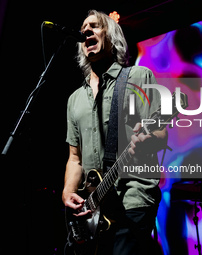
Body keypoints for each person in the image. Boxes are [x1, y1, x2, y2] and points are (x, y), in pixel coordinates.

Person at [62, 10, 168, 255]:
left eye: (95, 26)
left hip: (133, 196)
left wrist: (146, 139)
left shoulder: (138, 77)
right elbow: (74, 159)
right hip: (93, 205)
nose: (87, 30)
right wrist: (68, 192)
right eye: (84, 28)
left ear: (112, 36)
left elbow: (161, 135)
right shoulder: (75, 99)